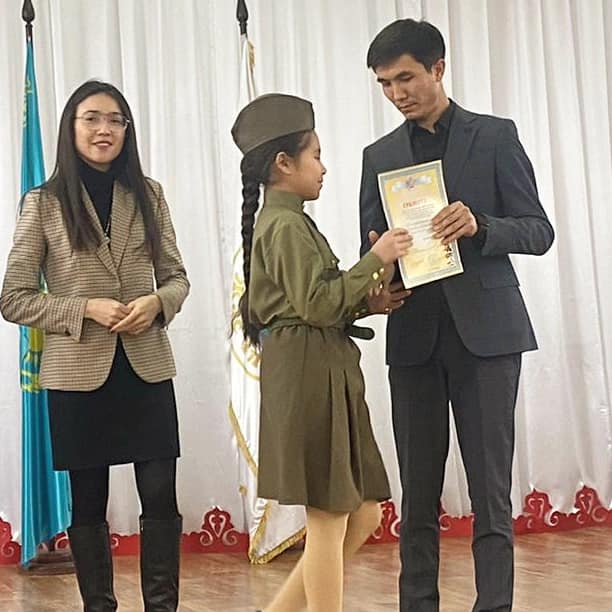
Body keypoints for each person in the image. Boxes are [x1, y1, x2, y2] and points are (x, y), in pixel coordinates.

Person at [359, 19, 555, 612]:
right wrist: (377, 278)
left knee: (491, 491)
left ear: (438, 69)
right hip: (413, 337)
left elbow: (538, 230)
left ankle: (494, 605)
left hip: (489, 339)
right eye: (385, 83)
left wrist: (482, 225)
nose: (396, 93)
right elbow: (372, 249)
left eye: (405, 78)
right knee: (417, 494)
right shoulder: (378, 156)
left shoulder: (495, 136)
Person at [0, 80, 189, 612]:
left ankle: (163, 607)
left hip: (146, 366)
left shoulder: (148, 194)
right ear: (72, 127)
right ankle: (98, 606)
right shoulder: (43, 203)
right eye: (92, 118)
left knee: (161, 495)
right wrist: (85, 309)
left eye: (115, 120)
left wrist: (157, 304)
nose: (104, 130)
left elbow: (176, 277)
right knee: (88, 503)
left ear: (127, 130)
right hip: (78, 375)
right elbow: (13, 298)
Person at [231, 93, 411, 612]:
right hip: (308, 373)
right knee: (330, 516)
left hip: (320, 365)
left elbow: (315, 302)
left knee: (364, 513)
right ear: (283, 164)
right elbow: (316, 303)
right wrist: (376, 258)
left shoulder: (292, 221)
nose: (324, 168)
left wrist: (367, 301)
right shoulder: (285, 224)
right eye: (316, 156)